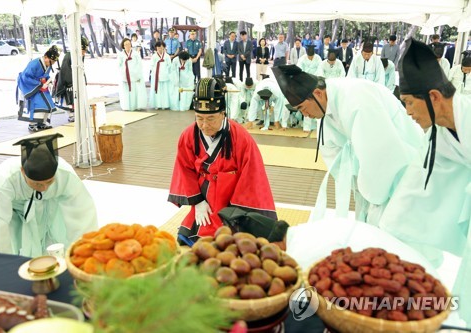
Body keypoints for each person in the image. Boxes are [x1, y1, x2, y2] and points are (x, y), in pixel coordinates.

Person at [379, 38, 471, 328]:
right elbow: (415, 184)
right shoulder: (438, 131)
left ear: (433, 97)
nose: (406, 112)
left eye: (408, 102)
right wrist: (388, 232)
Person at [272, 65, 423, 224]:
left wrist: (367, 189)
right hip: (372, 171)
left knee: (395, 223)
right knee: (369, 220)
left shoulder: (356, 99)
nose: (304, 115)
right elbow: (331, 151)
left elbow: (378, 155)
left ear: (317, 93)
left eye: (302, 108)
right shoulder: (325, 105)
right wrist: (355, 181)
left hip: (400, 161)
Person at [168, 77, 276, 245]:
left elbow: (252, 175)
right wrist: (197, 202)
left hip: (232, 195)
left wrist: (235, 210)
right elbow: (185, 169)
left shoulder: (240, 137)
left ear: (222, 113)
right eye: (199, 118)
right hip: (204, 197)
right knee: (192, 237)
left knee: (233, 240)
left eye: (210, 118)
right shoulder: (188, 135)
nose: (204, 125)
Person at [0, 134, 98, 257]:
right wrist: (5, 263)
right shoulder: (5, 180)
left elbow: (82, 214)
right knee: (1, 244)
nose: (44, 188)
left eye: (49, 182)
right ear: (23, 171)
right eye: (37, 184)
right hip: (13, 211)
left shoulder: (65, 174)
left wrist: (83, 253)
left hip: (48, 206)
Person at [17, 45, 59, 132]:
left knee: (49, 104)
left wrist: (48, 80)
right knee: (38, 104)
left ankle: (42, 123)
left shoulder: (48, 64)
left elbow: (45, 75)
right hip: (31, 85)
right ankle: (32, 124)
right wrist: (39, 83)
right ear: (46, 57)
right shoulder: (35, 63)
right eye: (51, 61)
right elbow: (26, 77)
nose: (52, 64)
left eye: (54, 62)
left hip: (42, 86)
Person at [54, 37, 88, 122]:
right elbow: (65, 70)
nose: (84, 53)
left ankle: (76, 114)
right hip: (69, 82)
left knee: (77, 99)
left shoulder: (79, 56)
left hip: (77, 81)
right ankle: (71, 115)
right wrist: (69, 83)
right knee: (70, 100)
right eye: (83, 51)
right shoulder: (69, 56)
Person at [117, 38, 147, 111]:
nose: (127, 46)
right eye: (126, 44)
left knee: (135, 91)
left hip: (135, 75)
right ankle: (127, 105)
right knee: (126, 92)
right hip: (125, 75)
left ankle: (136, 105)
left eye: (129, 44)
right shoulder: (121, 55)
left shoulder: (135, 53)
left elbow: (139, 64)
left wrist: (137, 73)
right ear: (123, 46)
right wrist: (123, 72)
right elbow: (119, 65)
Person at [149, 41, 171, 109]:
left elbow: (169, 66)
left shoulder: (167, 56)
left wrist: (166, 72)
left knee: (165, 90)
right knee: (157, 91)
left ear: (164, 48)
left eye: (161, 47)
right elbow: (151, 66)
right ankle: (157, 105)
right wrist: (155, 72)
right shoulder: (154, 56)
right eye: (158, 48)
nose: (160, 49)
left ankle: (165, 105)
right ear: (156, 48)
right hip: (156, 75)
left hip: (165, 75)